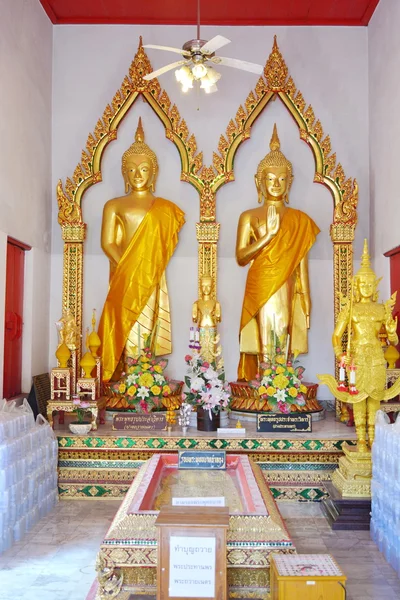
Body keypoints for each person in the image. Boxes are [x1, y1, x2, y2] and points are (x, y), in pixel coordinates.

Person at [98, 118, 185, 382]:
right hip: (125, 276)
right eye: (132, 170)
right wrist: (128, 266)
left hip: (151, 276)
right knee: (127, 322)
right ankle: (129, 378)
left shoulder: (166, 209)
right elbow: (107, 242)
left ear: (153, 173)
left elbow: (165, 242)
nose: (138, 175)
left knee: (149, 323)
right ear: (124, 173)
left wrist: (143, 267)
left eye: (144, 169)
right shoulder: (114, 205)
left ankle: (145, 377)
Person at [236, 124, 320, 380]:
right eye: (270, 179)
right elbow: (241, 257)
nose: (276, 184)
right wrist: (269, 236)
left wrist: (306, 296)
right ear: (259, 181)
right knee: (262, 333)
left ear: (290, 182)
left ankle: (281, 383)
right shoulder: (249, 216)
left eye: (282, 178)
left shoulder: (300, 220)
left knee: (283, 331)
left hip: (287, 284)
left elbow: (301, 263)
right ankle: (265, 383)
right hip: (260, 283)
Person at [320, 240, 399, 452]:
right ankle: (361, 440)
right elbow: (337, 336)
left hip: (376, 357)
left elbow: (394, 341)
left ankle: (372, 438)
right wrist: (340, 355)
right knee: (358, 399)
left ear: (375, 285)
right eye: (362, 284)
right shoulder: (351, 309)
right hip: (357, 358)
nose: (366, 288)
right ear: (356, 285)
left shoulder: (382, 309)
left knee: (373, 398)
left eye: (370, 284)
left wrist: (391, 331)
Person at [192, 276, 221, 363]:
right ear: (200, 287)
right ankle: (201, 371)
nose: (206, 288)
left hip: (211, 328)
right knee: (201, 351)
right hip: (201, 328)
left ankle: (211, 370)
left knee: (211, 351)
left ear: (212, 286)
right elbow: (194, 318)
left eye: (208, 286)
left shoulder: (216, 303)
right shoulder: (196, 303)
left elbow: (218, 317)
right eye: (203, 286)